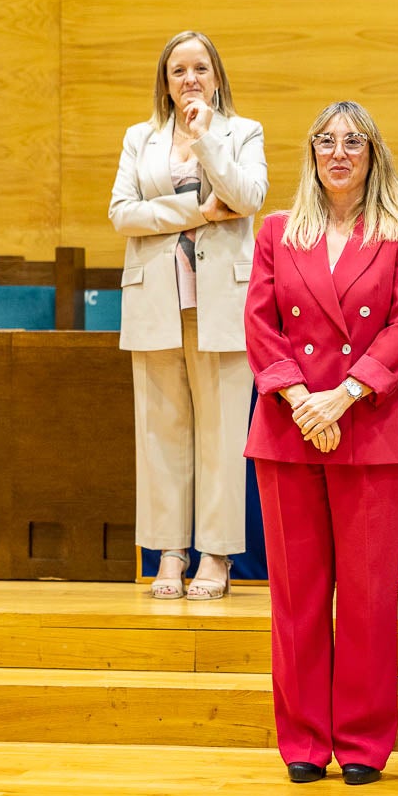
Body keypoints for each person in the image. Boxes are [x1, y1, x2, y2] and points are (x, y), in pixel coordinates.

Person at [244, 101, 398, 786]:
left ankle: (361, 740)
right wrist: (300, 400)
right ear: (311, 153)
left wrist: (342, 396)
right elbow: (261, 324)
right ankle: (302, 739)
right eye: (326, 141)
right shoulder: (276, 232)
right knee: (296, 597)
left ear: (373, 153)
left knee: (369, 597)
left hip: (370, 429)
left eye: (353, 142)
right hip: (288, 429)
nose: (339, 152)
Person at [108, 30, 267, 600]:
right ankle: (169, 552)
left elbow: (248, 198)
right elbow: (122, 213)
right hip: (155, 300)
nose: (190, 78)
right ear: (165, 81)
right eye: (178, 70)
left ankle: (216, 554)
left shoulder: (242, 132)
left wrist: (205, 142)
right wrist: (197, 211)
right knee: (161, 433)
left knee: (223, 432)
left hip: (220, 302)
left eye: (200, 68)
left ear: (216, 76)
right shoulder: (139, 138)